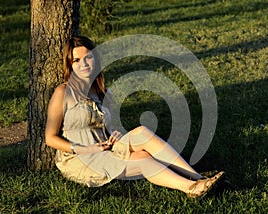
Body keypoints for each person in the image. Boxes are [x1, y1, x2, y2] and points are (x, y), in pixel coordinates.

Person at [45, 35, 225, 198]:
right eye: (76, 60)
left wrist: (114, 135)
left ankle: (199, 177)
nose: (83, 64)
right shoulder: (63, 92)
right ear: (70, 64)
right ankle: (193, 188)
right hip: (81, 158)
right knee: (143, 158)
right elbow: (50, 138)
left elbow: (110, 126)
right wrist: (86, 149)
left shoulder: (104, 93)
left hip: (106, 148)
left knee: (142, 133)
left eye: (88, 58)